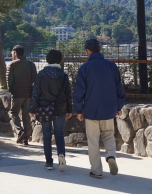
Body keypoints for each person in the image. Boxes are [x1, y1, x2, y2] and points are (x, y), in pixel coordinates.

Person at [73, 39, 126, 179]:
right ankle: (110, 155)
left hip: (91, 110)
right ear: (100, 50)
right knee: (108, 134)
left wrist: (78, 110)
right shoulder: (111, 66)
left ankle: (96, 171)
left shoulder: (85, 68)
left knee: (93, 140)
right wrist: (119, 106)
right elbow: (118, 88)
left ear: (87, 51)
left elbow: (79, 91)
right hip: (109, 109)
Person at [28, 49, 73, 172]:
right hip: (60, 109)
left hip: (44, 108)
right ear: (60, 60)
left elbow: (35, 93)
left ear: (47, 60)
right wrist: (70, 109)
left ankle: (48, 162)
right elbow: (68, 94)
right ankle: (61, 155)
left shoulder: (41, 74)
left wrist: (32, 108)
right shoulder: (63, 75)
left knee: (46, 135)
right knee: (59, 134)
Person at [6, 45, 37, 145]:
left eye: (12, 53)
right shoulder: (31, 64)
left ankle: (20, 131)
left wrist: (11, 90)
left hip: (17, 94)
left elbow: (9, 80)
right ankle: (26, 139)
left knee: (13, 113)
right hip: (28, 94)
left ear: (15, 53)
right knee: (26, 116)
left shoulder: (12, 64)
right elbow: (35, 79)